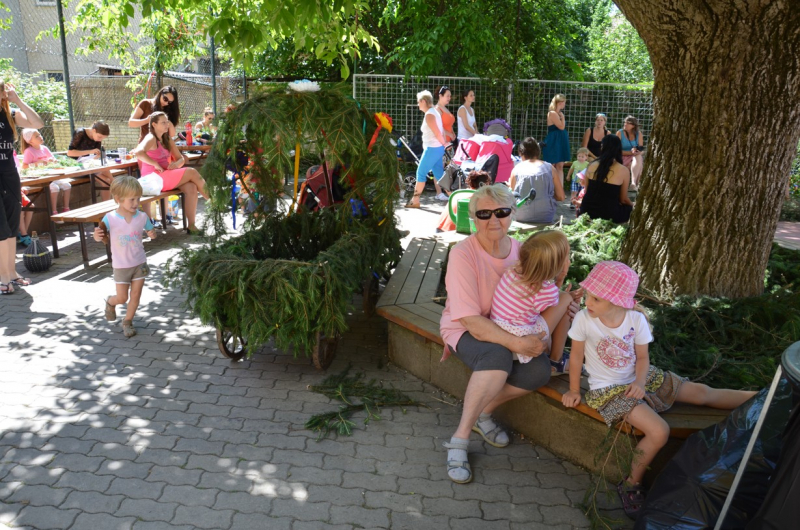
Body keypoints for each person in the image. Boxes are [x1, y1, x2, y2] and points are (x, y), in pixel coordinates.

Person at [562, 261, 757, 519]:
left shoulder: (635, 320)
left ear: (617, 301)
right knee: (659, 431)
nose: (588, 302)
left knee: (701, 393)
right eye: (588, 294)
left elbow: (643, 358)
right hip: (609, 391)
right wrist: (574, 390)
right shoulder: (585, 319)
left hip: (642, 378)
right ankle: (630, 483)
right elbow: (576, 357)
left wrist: (640, 383)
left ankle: (765, 398)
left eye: (596, 298)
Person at [439, 184, 579, 484]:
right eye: (484, 214)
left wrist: (563, 304)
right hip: (466, 327)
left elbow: (536, 299)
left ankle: (482, 414)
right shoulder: (463, 254)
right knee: (497, 355)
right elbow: (470, 319)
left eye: (501, 212)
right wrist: (518, 343)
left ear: (512, 214)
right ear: (473, 218)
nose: (494, 220)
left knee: (538, 371)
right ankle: (460, 438)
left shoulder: (521, 250)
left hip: (510, 327)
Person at [490, 230, 579, 374]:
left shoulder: (512, 271)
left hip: (500, 333)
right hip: (521, 343)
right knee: (567, 300)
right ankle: (556, 361)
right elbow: (554, 307)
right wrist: (561, 278)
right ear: (556, 265)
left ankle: (553, 355)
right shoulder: (545, 290)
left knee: (562, 298)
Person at [93, 176, 157, 338]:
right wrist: (97, 236)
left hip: (139, 263)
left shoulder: (142, 217)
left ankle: (127, 321)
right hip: (121, 265)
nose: (136, 203)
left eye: (138, 198)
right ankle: (110, 301)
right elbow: (100, 236)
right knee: (122, 298)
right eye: (132, 199)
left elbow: (152, 232)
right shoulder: (110, 218)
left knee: (135, 295)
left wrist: (152, 234)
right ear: (118, 199)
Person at [133, 111, 209, 232]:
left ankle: (191, 226)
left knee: (191, 187)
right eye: (163, 122)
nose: (167, 125)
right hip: (153, 178)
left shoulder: (167, 139)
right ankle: (213, 201)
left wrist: (176, 164)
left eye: (167, 122)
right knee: (192, 172)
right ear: (154, 125)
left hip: (165, 176)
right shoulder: (151, 137)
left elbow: (181, 159)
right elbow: (138, 152)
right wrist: (155, 164)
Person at [0, 80, 43, 295]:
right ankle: (2, 278)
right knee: (1, 227)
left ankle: (11, 273)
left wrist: (17, 100)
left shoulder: (10, 114)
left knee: (11, 225)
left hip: (9, 175)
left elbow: (37, 123)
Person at [406, 90, 448, 208]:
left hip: (432, 149)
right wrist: (444, 145)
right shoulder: (434, 112)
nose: (417, 104)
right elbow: (441, 131)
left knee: (420, 173)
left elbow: (437, 132)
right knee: (440, 175)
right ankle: (455, 198)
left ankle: (415, 201)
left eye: (418, 102)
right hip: (437, 149)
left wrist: (444, 144)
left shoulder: (430, 114)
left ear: (424, 101)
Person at [508, 137, 565, 224]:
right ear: (538, 151)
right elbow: (561, 197)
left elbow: (511, 196)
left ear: (521, 153)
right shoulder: (550, 168)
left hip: (520, 215)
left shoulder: (516, 169)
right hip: (545, 215)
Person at [579, 135, 634, 223]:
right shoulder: (624, 170)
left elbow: (586, 190)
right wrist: (633, 205)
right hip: (609, 214)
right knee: (629, 209)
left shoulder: (591, 165)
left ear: (602, 147)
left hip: (586, 211)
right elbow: (623, 199)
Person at [21, 128, 72, 220]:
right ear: (30, 141)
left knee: (67, 185)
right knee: (55, 188)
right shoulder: (29, 151)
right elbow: (24, 166)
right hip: (40, 178)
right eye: (36, 136)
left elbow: (53, 160)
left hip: (51, 176)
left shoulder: (44, 148)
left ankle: (66, 209)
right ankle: (54, 212)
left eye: (39, 134)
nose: (40, 137)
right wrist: (37, 163)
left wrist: (53, 161)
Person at [67, 120, 112, 201]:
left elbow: (94, 157)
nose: (100, 140)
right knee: (108, 176)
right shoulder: (80, 133)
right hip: (76, 167)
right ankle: (119, 189)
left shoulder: (97, 138)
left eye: (102, 138)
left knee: (107, 181)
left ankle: (108, 205)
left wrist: (98, 155)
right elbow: (70, 153)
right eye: (99, 137)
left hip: (90, 166)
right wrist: (90, 152)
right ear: (94, 130)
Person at [541, 94, 570, 187]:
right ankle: (549, 188)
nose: (565, 104)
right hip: (554, 141)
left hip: (561, 141)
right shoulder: (552, 113)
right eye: (564, 102)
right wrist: (563, 118)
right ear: (560, 102)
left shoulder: (559, 113)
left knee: (560, 166)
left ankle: (560, 189)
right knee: (552, 165)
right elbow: (561, 127)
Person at [617, 115, 644, 190]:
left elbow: (641, 148)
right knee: (639, 166)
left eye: (628, 123)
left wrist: (636, 150)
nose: (625, 124)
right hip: (622, 156)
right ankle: (637, 185)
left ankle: (633, 184)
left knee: (638, 157)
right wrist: (630, 153)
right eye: (625, 122)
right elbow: (616, 150)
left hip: (634, 157)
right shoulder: (620, 133)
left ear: (633, 126)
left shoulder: (639, 134)